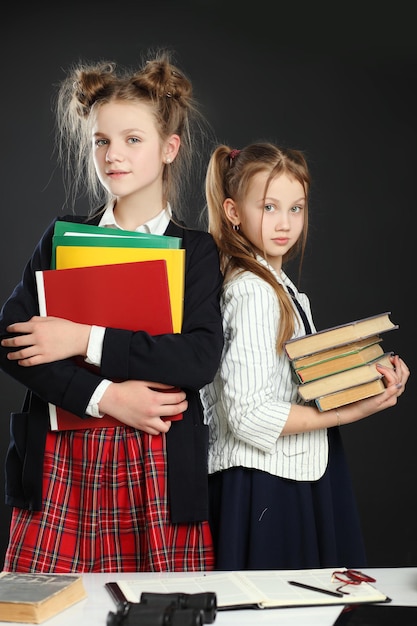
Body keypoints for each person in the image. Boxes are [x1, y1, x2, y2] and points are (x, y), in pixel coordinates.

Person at [0, 50, 224, 573]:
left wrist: (82, 339)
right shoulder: (61, 237)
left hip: (158, 471)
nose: (113, 155)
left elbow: (197, 358)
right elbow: (11, 339)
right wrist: (105, 396)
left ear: (170, 148)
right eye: (101, 141)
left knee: (163, 606)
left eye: (132, 140)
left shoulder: (196, 250)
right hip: (61, 465)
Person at [200, 142, 410, 570]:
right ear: (233, 211)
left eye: (296, 208)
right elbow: (250, 414)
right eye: (269, 207)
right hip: (265, 485)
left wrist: (369, 375)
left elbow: (295, 382)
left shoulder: (279, 286)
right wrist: (347, 414)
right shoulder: (253, 291)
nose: (285, 223)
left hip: (290, 474)